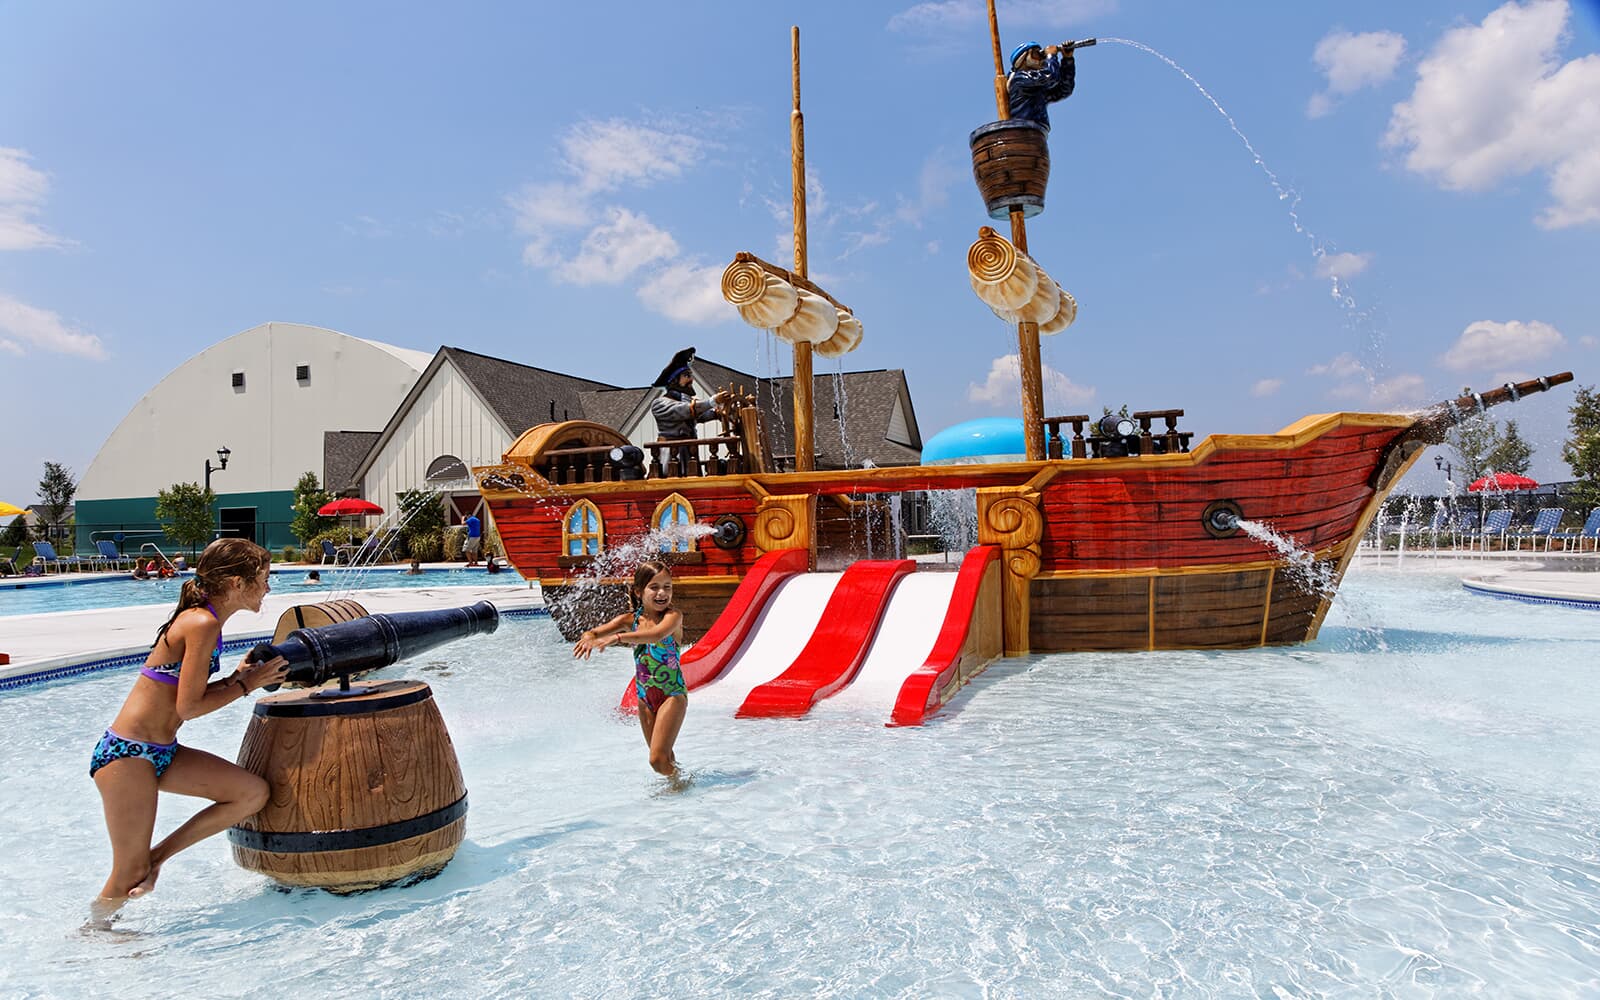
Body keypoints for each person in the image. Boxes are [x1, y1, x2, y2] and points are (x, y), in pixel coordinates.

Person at [87, 538, 290, 928]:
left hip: (160, 750)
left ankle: (157, 858)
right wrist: (247, 685)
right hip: (128, 755)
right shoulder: (202, 622)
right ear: (236, 583)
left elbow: (185, 695)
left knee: (251, 793)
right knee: (127, 873)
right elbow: (189, 708)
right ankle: (93, 934)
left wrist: (237, 678)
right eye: (263, 578)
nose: (267, 587)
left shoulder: (206, 621)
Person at [573, 560, 687, 777]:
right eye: (654, 587)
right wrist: (588, 637)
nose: (662, 592)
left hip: (672, 693)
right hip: (645, 697)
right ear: (638, 591)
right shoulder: (629, 620)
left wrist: (616, 638)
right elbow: (594, 633)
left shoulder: (673, 617)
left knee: (657, 760)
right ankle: (677, 793)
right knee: (665, 756)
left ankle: (683, 782)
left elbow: (655, 636)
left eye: (667, 586)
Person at [649, 347, 728, 475]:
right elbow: (686, 411)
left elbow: (700, 415)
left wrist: (718, 413)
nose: (691, 380)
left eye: (691, 375)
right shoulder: (659, 404)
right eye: (686, 376)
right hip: (670, 455)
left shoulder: (685, 401)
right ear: (674, 380)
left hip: (689, 453)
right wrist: (712, 401)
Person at [1006, 41, 1080, 130]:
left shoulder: (1037, 87)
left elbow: (1064, 89)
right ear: (1024, 58)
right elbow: (1050, 77)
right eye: (1036, 53)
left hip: (1038, 131)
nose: (1041, 58)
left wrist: (1067, 60)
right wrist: (1051, 56)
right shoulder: (1020, 79)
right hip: (1024, 130)